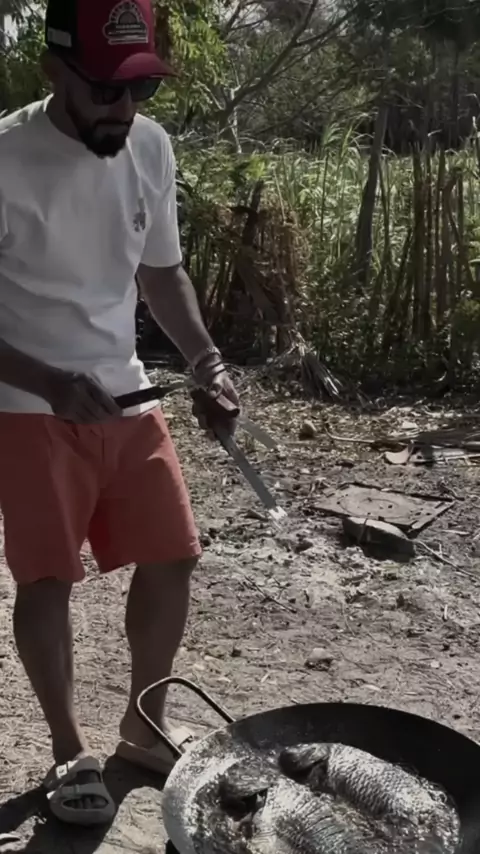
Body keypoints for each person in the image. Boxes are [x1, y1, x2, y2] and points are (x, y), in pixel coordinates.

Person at [0, 0, 239, 828]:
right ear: (54, 71)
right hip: (25, 403)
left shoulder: (150, 147)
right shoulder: (4, 158)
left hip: (127, 392)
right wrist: (45, 380)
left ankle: (143, 728)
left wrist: (206, 362)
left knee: (173, 554)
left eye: (139, 89)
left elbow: (161, 273)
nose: (124, 108)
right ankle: (70, 751)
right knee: (47, 577)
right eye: (105, 89)